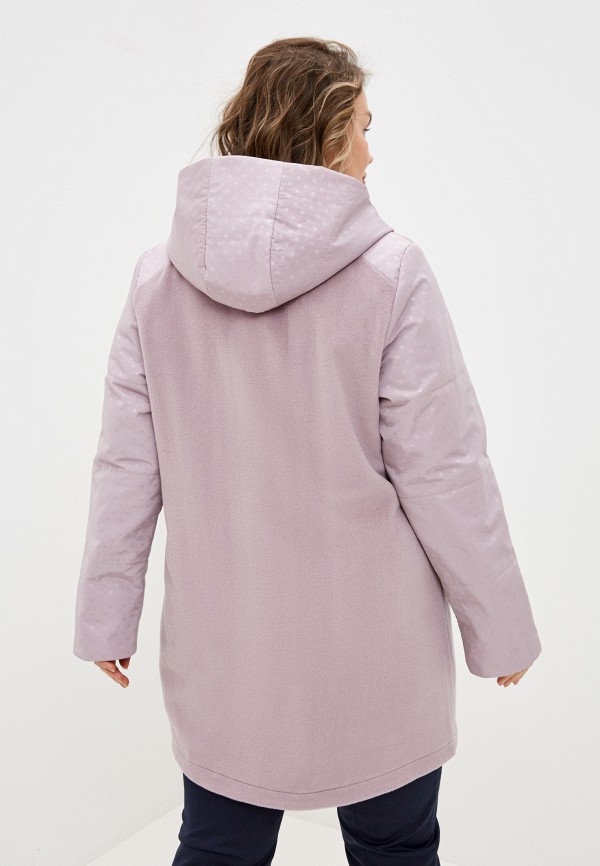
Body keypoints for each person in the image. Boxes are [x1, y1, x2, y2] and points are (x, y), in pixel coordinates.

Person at [72, 36, 542, 865]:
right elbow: (446, 472)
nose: (370, 152)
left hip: (228, 657)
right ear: (324, 133)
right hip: (376, 657)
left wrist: (107, 614)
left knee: (218, 850)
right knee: (396, 849)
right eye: (362, 127)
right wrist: (498, 627)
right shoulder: (392, 272)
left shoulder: (157, 281)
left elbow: (126, 469)